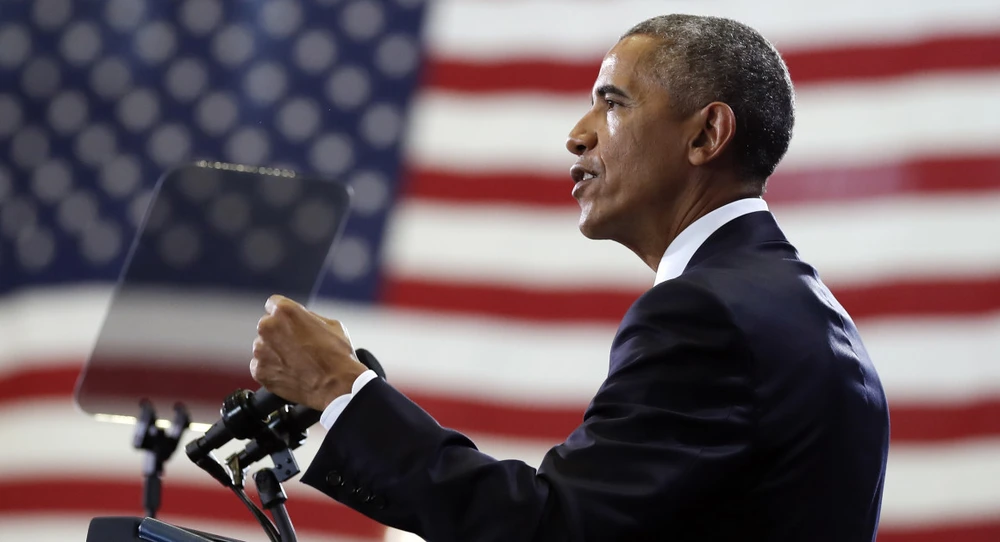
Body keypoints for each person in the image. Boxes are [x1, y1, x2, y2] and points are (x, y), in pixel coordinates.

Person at [250, 14, 890, 541]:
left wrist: (341, 389)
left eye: (612, 103)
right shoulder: (799, 306)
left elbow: (553, 529)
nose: (577, 136)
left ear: (706, 135)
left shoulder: (704, 315)